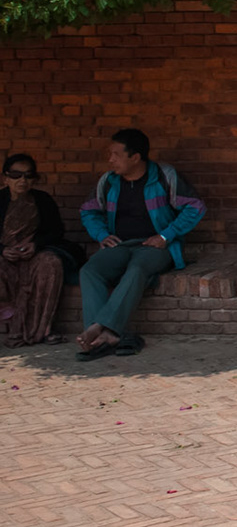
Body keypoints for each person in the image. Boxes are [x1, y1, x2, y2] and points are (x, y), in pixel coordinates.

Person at [75, 129, 205, 360]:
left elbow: (195, 206)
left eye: (116, 154)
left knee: (137, 269)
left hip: (156, 247)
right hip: (120, 246)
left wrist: (166, 236)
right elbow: (89, 211)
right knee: (90, 270)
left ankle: (100, 329)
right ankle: (104, 335)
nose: (110, 160)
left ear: (135, 157)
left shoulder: (165, 176)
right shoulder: (108, 181)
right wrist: (101, 234)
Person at [0, 153, 78, 347]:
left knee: (50, 264)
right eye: (16, 175)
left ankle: (43, 328)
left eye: (28, 175)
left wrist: (36, 245)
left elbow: (56, 231)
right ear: (5, 178)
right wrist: (2, 250)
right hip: (4, 256)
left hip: (33, 254)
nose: (22, 181)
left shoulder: (42, 200)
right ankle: (10, 323)